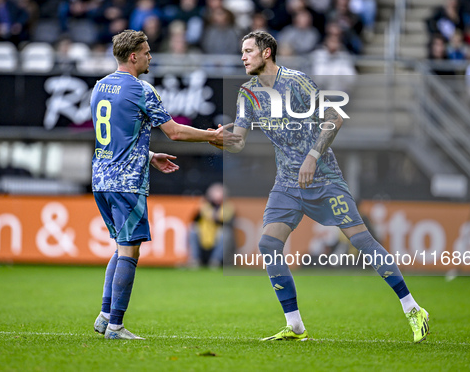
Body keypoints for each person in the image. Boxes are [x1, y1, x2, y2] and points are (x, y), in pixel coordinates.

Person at [219, 31, 430, 343]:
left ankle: (413, 308)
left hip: (324, 179)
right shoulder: (247, 94)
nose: (243, 57)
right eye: (242, 51)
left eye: (249, 51)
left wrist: (313, 157)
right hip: (287, 184)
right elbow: (237, 142)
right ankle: (295, 327)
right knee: (267, 245)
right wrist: (212, 137)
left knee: (362, 242)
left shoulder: (297, 82)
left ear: (267, 53)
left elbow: (334, 116)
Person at [91, 29, 241, 340]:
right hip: (127, 184)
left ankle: (106, 315)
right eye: (146, 52)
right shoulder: (141, 90)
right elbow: (175, 132)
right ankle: (116, 327)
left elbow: (115, 140)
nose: (150, 57)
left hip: (101, 180)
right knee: (129, 252)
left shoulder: (99, 87)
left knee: (121, 248)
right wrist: (213, 135)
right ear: (133, 56)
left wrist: (148, 155)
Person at [188, 183, 235, 268]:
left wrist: (212, 215)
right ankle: (195, 260)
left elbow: (224, 221)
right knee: (193, 230)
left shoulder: (228, 208)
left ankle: (215, 261)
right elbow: (194, 220)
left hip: (217, 240)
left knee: (225, 233)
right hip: (203, 238)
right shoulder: (203, 206)